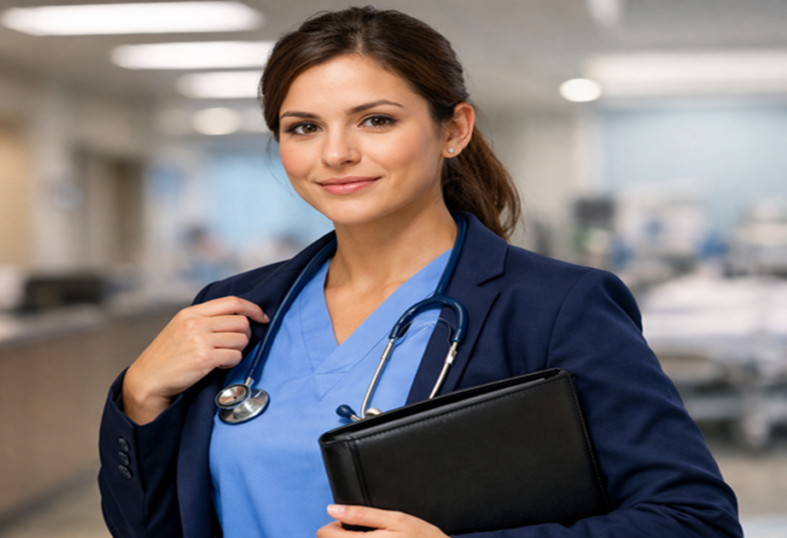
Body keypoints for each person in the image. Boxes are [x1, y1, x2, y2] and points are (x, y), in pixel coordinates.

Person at [98, 7, 742, 538]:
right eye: (304, 127)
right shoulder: (233, 308)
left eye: (376, 120)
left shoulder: (554, 307)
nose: (336, 153)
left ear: (454, 130)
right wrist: (139, 398)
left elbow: (694, 520)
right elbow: (146, 527)